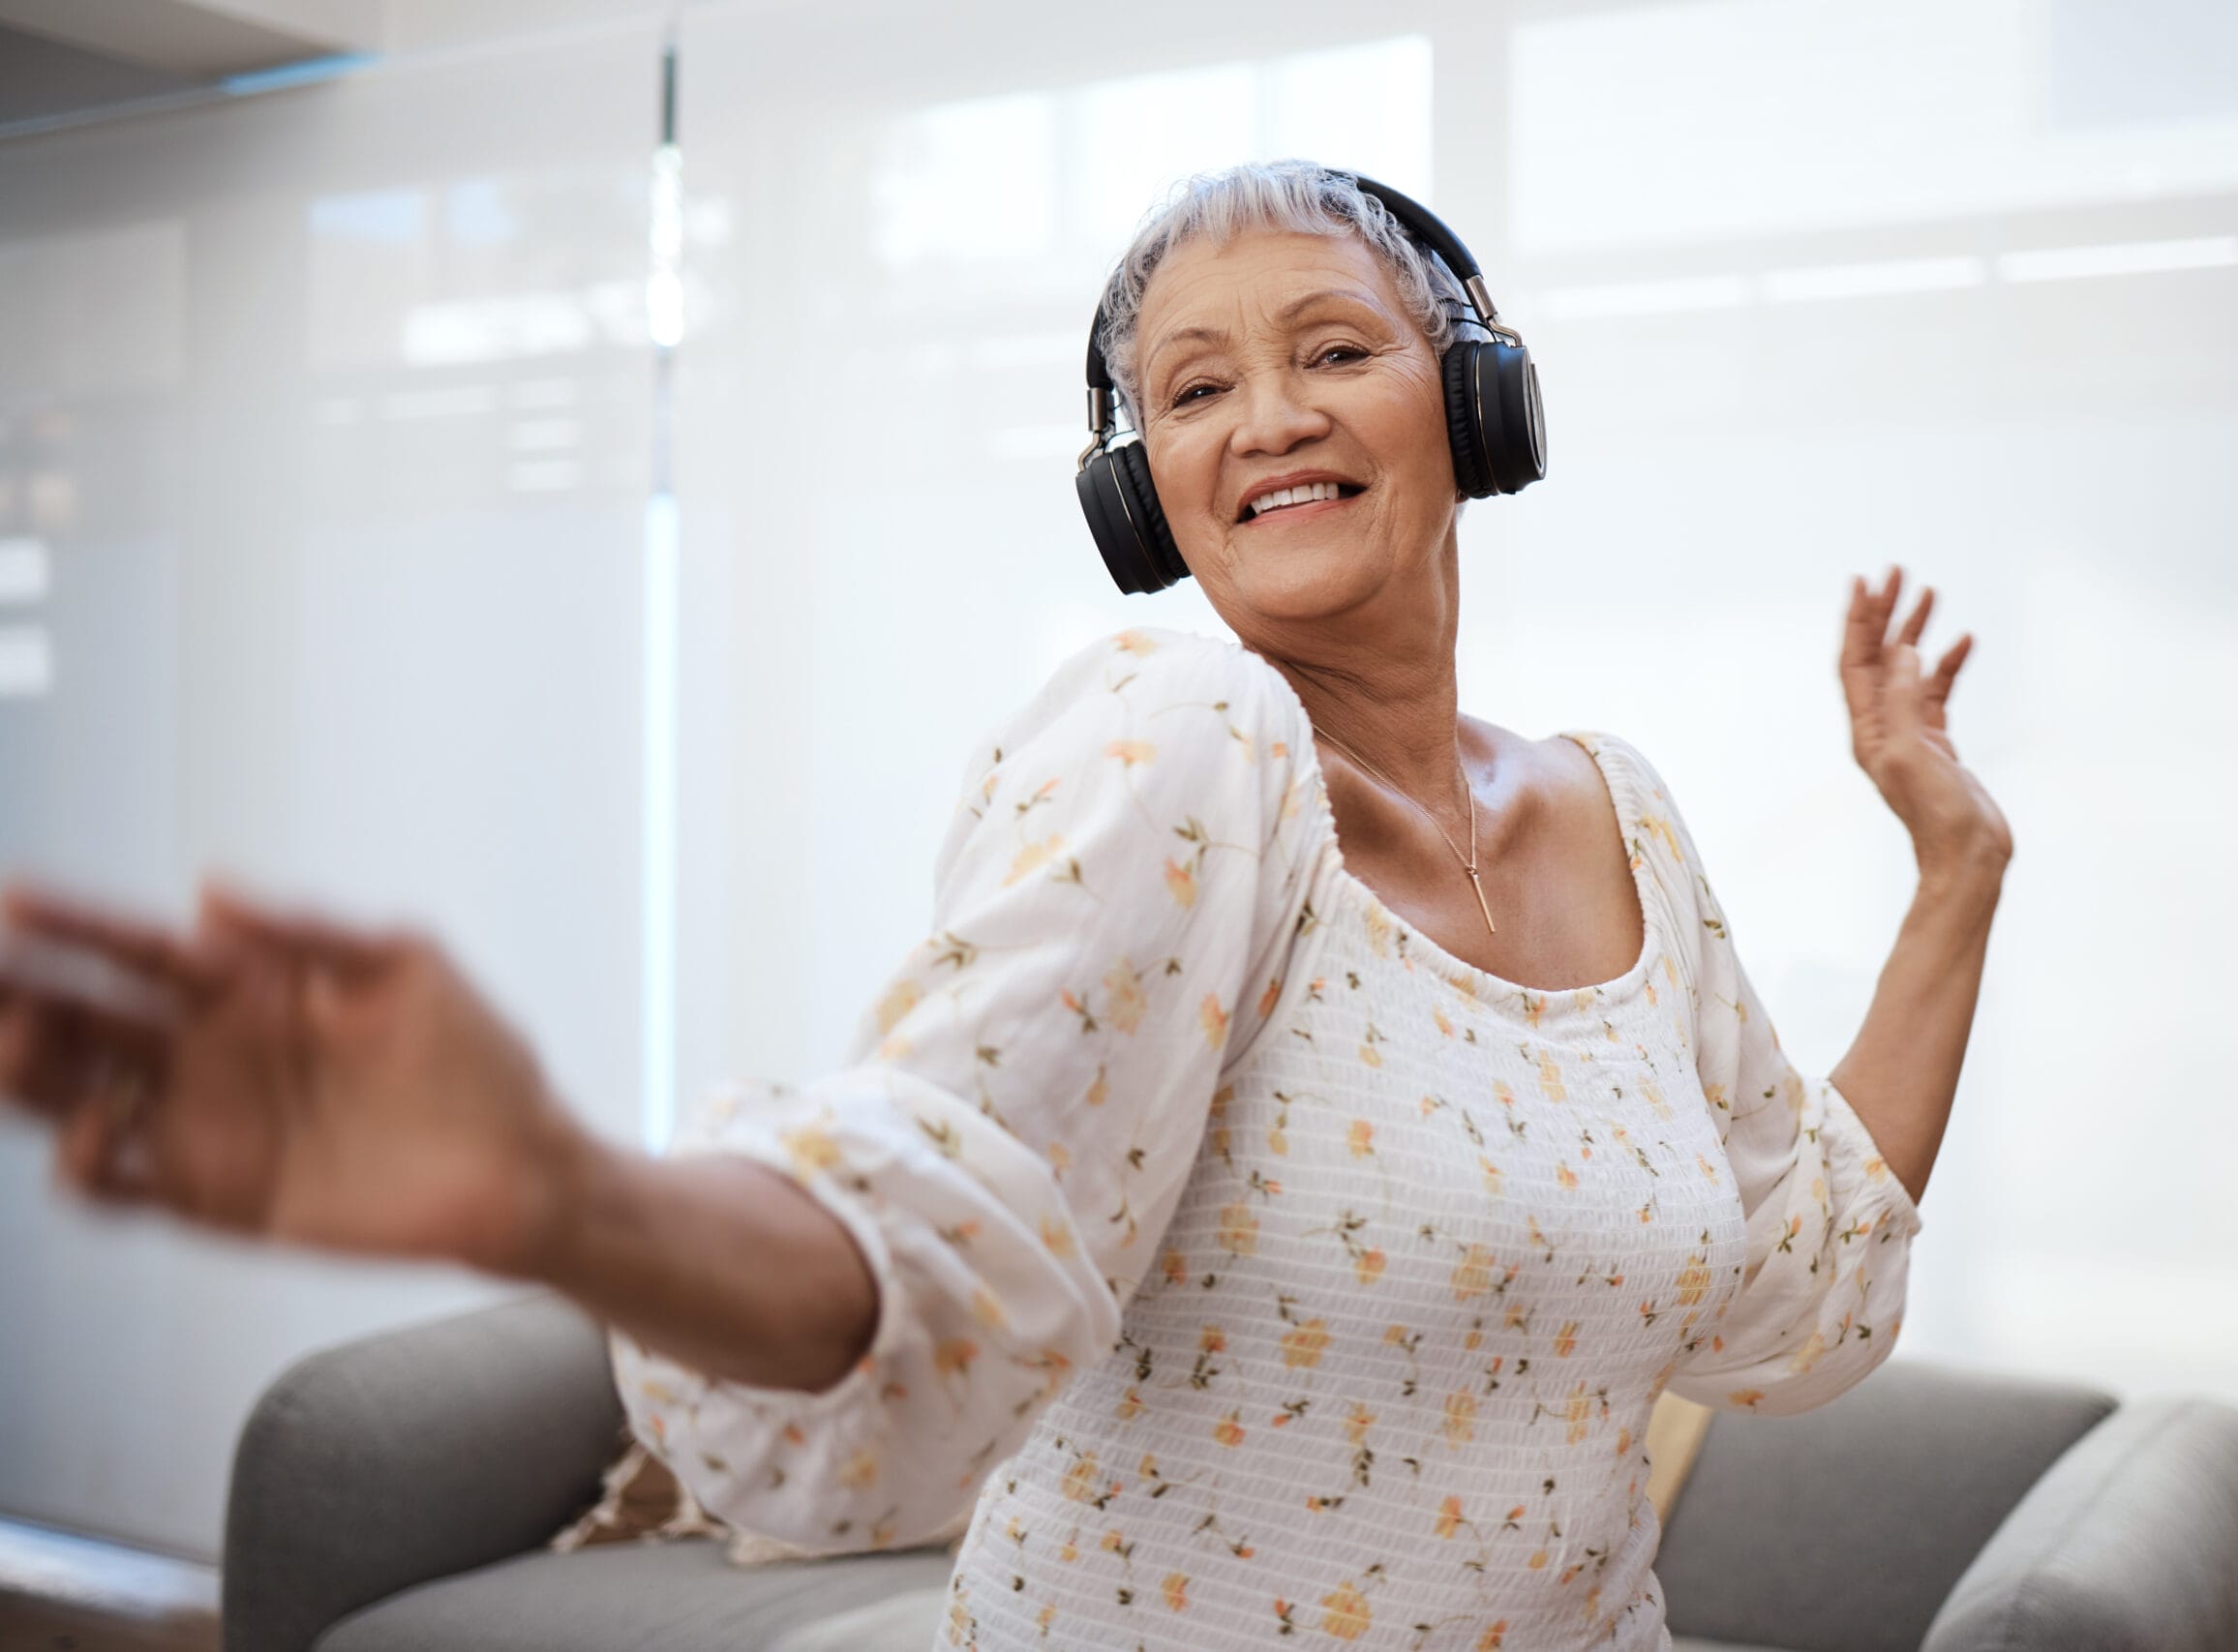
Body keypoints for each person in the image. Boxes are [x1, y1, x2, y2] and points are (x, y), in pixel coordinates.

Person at [0, 160, 2010, 1649]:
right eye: (1193, 390)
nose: (1269, 419)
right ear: (1142, 491)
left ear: (1470, 405)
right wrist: (556, 1190)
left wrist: (1954, 867)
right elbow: (941, 1207)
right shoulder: (1183, 731)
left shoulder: (1618, 813)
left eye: (1332, 349)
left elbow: (1793, 1287)